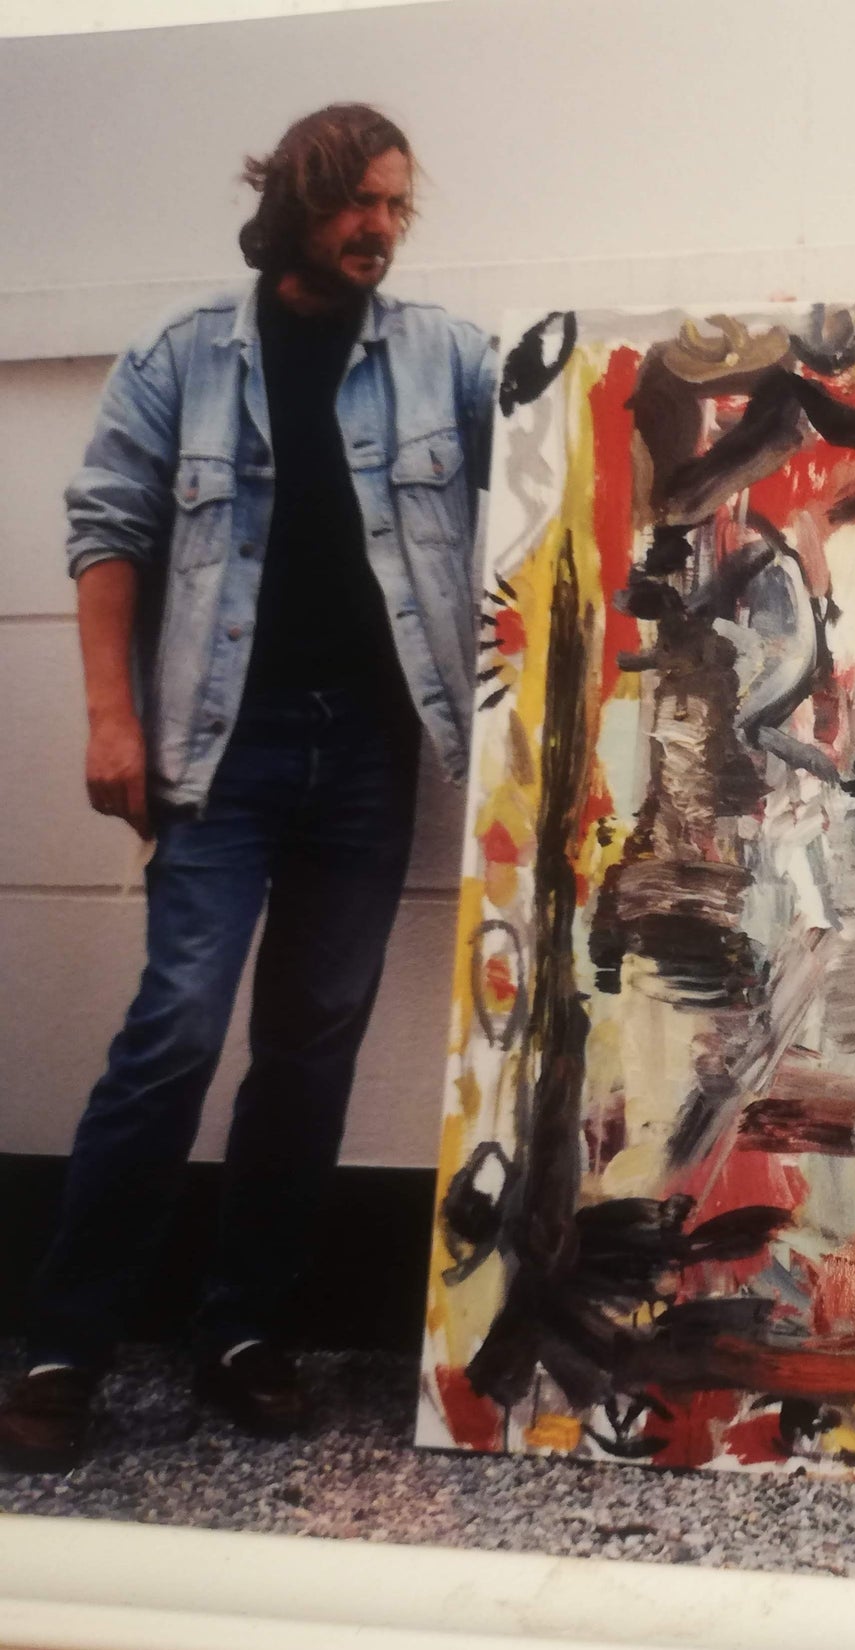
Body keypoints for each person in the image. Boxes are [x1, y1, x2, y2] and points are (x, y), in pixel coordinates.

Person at [0, 104, 496, 1472]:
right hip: (220, 753)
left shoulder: (446, 357)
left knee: (311, 1047)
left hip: (368, 755)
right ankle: (66, 1344)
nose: (381, 229)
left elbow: (556, 446)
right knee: (172, 1031)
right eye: (359, 205)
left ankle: (242, 1327)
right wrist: (112, 720)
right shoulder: (181, 354)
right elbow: (106, 529)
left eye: (396, 205)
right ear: (295, 204)